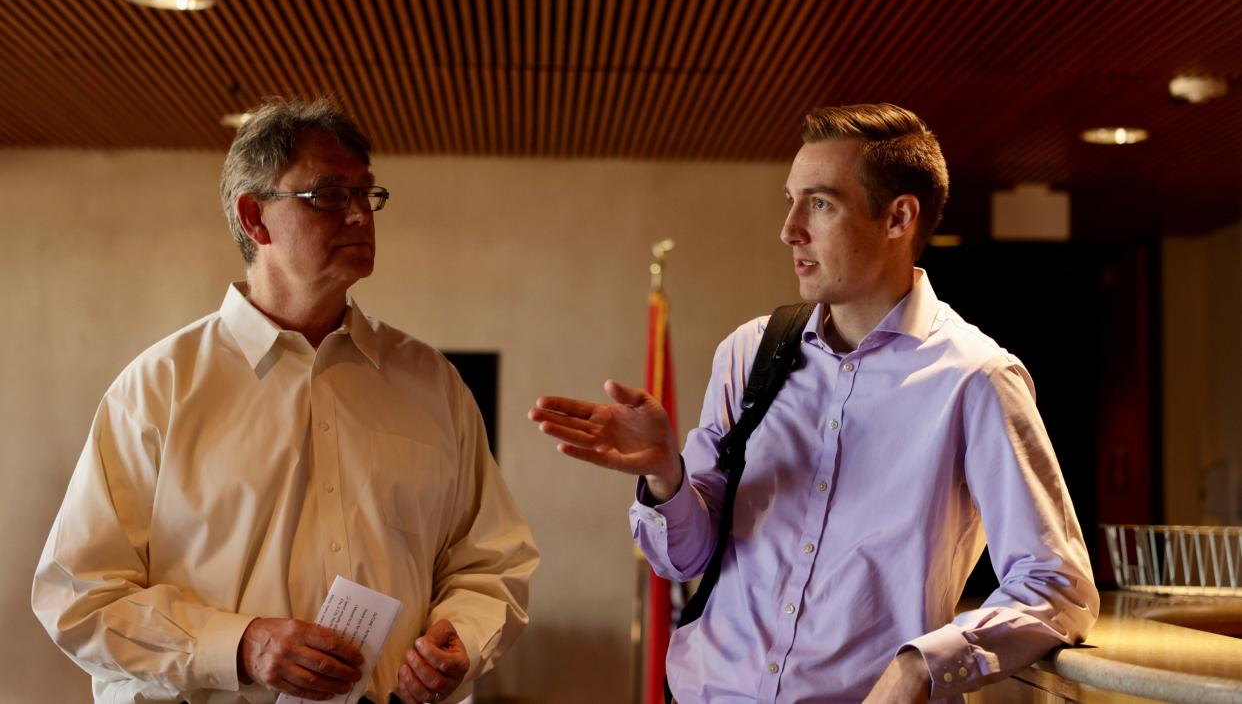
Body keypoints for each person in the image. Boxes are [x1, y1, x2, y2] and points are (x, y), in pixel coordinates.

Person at [529, 103, 1098, 703]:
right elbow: (684, 559)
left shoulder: (976, 379)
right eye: (790, 200)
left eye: (820, 204)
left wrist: (922, 666)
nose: (789, 228)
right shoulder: (749, 353)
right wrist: (665, 477)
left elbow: (1056, 583)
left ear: (898, 218)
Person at [33, 97, 538, 704]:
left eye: (366, 194)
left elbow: (491, 564)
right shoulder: (158, 389)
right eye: (329, 195)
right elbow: (78, 597)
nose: (358, 216)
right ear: (255, 218)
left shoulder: (432, 386)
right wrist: (241, 646)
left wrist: (464, 636)